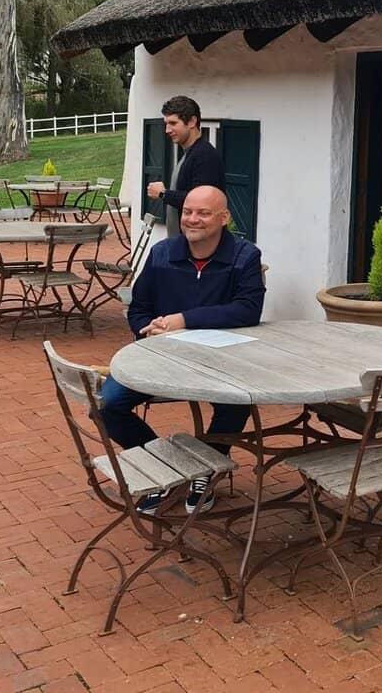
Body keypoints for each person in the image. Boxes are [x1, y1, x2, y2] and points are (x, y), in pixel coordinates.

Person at [99, 185, 265, 514]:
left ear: (224, 218)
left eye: (203, 213)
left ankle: (209, 467)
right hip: (161, 355)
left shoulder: (245, 256)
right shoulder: (162, 254)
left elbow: (248, 310)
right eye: (188, 211)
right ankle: (167, 467)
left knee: (238, 400)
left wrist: (184, 319)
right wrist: (149, 332)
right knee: (108, 406)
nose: (193, 219)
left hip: (222, 358)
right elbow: (139, 307)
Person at [146, 95, 226, 238]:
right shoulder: (189, 153)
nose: (167, 130)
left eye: (173, 123)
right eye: (166, 124)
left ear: (192, 122)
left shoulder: (204, 155)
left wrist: (164, 193)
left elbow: (202, 203)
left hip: (197, 245)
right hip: (183, 244)